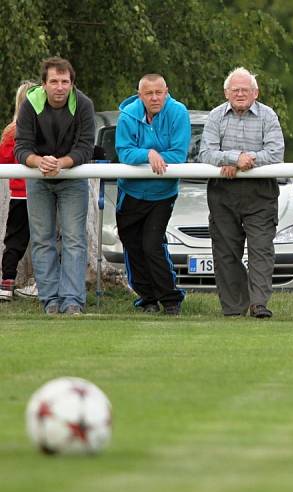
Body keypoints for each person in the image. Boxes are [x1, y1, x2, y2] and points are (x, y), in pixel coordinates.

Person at [199, 67, 285, 318]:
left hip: (261, 194)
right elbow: (206, 153)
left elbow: (275, 153)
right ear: (226, 93)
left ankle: (259, 304)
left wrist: (247, 160)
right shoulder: (216, 116)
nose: (239, 94)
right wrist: (234, 158)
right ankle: (234, 308)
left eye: (244, 90)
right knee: (226, 252)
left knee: (261, 249)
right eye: (235, 90)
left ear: (255, 93)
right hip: (223, 192)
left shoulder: (268, 116)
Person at [14, 57, 95, 315]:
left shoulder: (83, 104)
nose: (60, 87)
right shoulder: (29, 105)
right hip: (38, 179)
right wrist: (40, 162)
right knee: (41, 240)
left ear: (72, 83)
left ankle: (72, 302)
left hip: (72, 179)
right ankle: (49, 301)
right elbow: (21, 148)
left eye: (65, 82)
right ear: (44, 84)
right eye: (54, 82)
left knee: (74, 240)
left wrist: (61, 163)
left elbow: (85, 148)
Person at [115, 74, 190, 315]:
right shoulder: (127, 115)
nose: (155, 98)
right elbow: (124, 152)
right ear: (140, 95)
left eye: (160, 92)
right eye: (149, 93)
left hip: (163, 192)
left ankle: (170, 299)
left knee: (152, 245)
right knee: (132, 245)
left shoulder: (178, 112)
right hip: (130, 192)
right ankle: (147, 299)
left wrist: (155, 155)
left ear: (167, 91)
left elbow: (178, 154)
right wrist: (149, 154)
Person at [1, 81, 38, 302]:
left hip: (19, 195)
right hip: (36, 193)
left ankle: (7, 282)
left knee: (15, 239)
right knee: (47, 239)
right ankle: (45, 282)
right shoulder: (37, 128)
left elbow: (3, 159)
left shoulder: (11, 131)